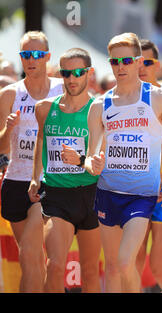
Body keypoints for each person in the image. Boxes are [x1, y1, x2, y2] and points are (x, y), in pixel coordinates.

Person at [84, 32, 162, 292]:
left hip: (142, 194)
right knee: (113, 268)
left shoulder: (159, 98)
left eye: (126, 61)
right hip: (107, 192)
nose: (120, 67)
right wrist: (91, 164)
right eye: (114, 61)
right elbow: (91, 154)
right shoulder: (99, 105)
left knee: (125, 261)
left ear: (139, 62)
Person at [28, 48, 101, 292]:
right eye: (66, 73)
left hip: (92, 194)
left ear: (89, 73)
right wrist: (34, 177)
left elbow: (101, 156)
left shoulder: (98, 111)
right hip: (57, 194)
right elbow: (40, 141)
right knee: (56, 265)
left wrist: (82, 160)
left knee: (90, 271)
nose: (71, 79)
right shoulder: (44, 109)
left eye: (78, 72)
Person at [0, 31, 63, 292]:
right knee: (32, 260)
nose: (31, 59)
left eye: (37, 54)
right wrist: (7, 129)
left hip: (48, 181)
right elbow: (2, 148)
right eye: (26, 54)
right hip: (15, 181)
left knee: (28, 253)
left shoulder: (62, 89)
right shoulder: (9, 94)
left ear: (47, 57)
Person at [135, 38, 162, 292]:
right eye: (137, 61)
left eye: (148, 62)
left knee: (161, 260)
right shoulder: (121, 98)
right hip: (131, 182)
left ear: (157, 65)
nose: (142, 67)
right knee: (134, 254)